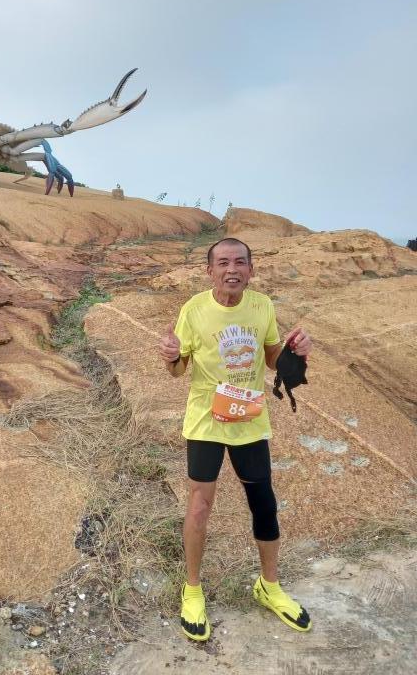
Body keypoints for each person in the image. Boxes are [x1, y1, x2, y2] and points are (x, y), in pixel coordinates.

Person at [159, 237, 312, 641]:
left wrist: (296, 351)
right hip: (206, 421)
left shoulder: (262, 306)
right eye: (223, 263)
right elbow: (178, 370)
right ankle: (193, 590)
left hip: (249, 420)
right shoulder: (194, 309)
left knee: (264, 503)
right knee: (199, 506)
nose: (232, 269)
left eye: (240, 262)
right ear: (209, 270)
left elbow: (273, 358)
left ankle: (269, 586)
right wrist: (171, 355)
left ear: (251, 269)